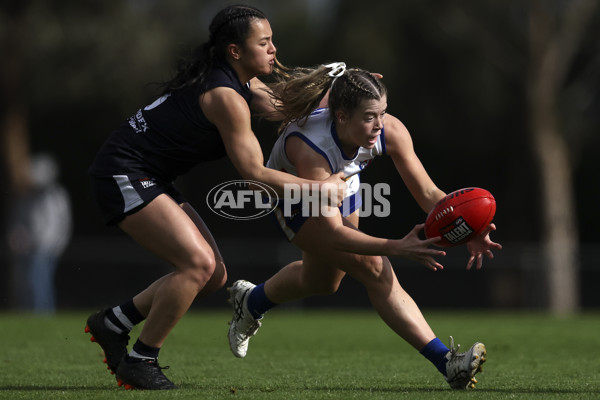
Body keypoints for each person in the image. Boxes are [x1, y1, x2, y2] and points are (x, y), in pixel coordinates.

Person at [84, 5, 346, 390]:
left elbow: (287, 107)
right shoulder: (226, 97)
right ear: (235, 51)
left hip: (148, 175)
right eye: (264, 42)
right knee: (198, 265)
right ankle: (140, 361)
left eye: (272, 40)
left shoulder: (241, 84)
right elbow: (255, 173)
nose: (274, 48)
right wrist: (322, 189)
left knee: (213, 276)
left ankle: (114, 323)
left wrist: (348, 95)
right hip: (122, 172)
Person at [227, 63, 502, 390]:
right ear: (341, 116)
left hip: (344, 184)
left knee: (323, 281)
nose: (379, 124)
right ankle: (447, 363)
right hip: (298, 196)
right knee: (375, 267)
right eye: (370, 116)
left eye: (382, 113)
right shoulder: (311, 149)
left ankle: (252, 302)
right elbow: (334, 235)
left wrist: (470, 225)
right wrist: (395, 247)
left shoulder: (389, 130)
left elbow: (429, 193)